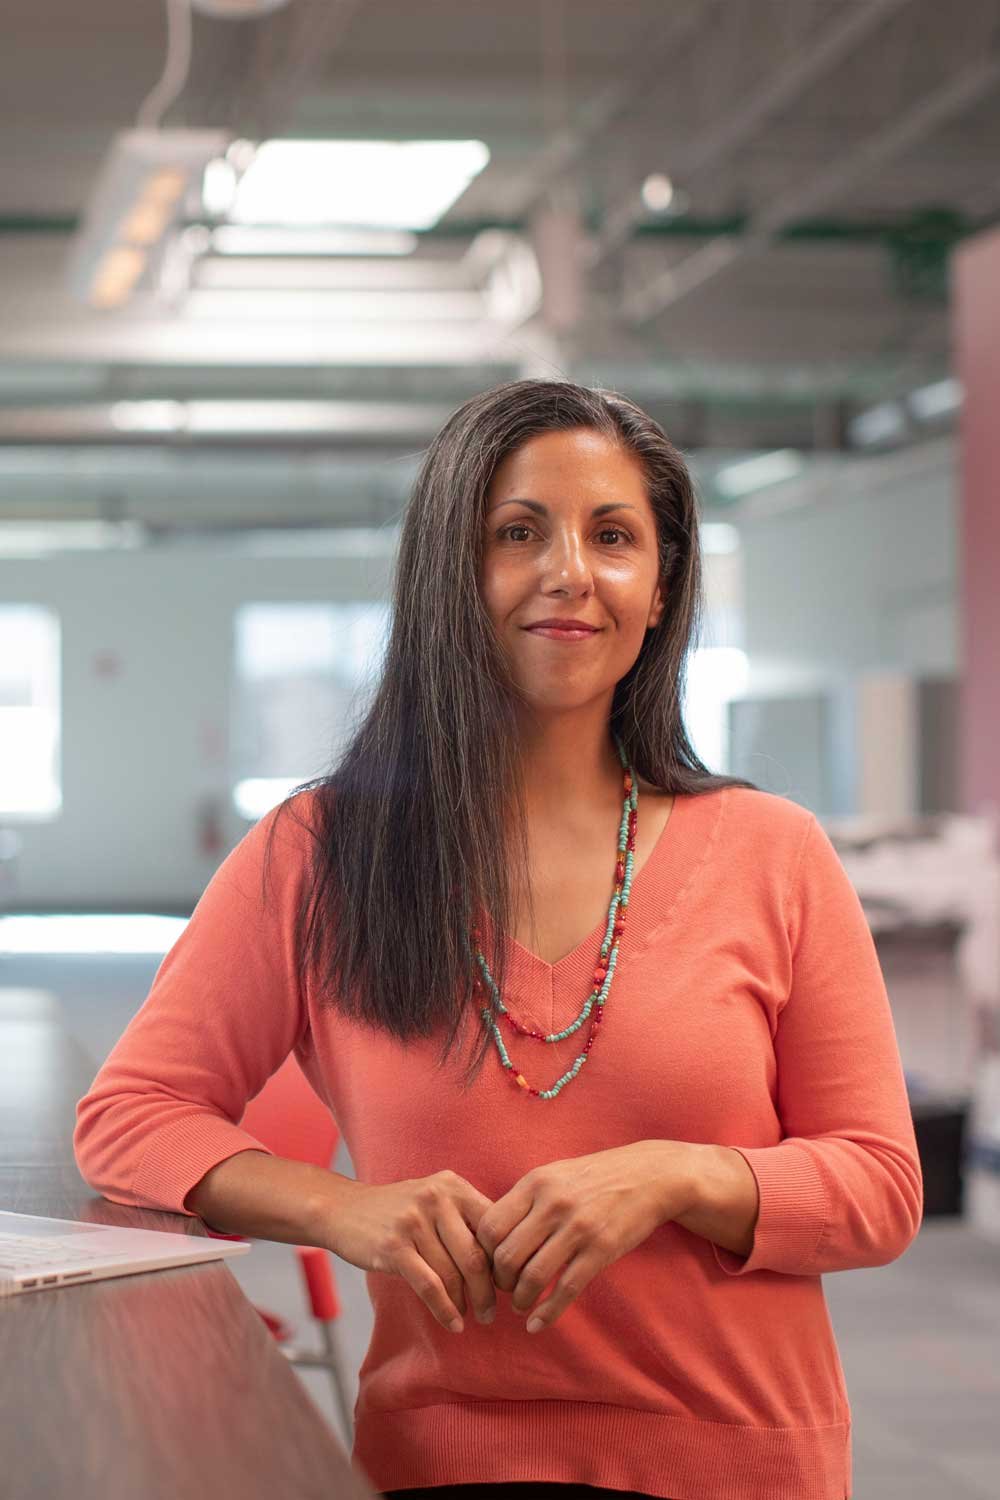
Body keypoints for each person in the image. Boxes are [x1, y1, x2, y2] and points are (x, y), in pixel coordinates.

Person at [74, 379, 922, 1500]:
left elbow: (879, 1187)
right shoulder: (320, 852)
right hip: (443, 1462)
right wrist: (341, 1208)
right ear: (451, 575)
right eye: (518, 532)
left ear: (661, 589)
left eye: (613, 537)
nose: (570, 572)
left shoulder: (775, 853)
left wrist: (678, 1175)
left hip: (737, 1462)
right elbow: (130, 1117)